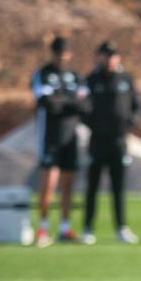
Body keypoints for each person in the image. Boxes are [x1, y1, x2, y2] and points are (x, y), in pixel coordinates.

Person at [30, 36, 88, 246]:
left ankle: (65, 228)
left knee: (68, 184)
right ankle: (43, 228)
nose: (62, 57)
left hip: (70, 138)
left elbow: (85, 106)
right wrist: (70, 100)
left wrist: (61, 98)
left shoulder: (76, 76)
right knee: (49, 184)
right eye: (58, 53)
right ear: (52, 54)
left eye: (65, 52)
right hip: (50, 138)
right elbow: (47, 104)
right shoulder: (43, 74)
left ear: (70, 54)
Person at [82, 41, 141, 245]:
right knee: (92, 186)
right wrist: (94, 125)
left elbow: (137, 107)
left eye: (113, 55)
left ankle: (122, 227)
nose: (110, 59)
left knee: (119, 186)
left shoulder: (126, 79)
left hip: (119, 141)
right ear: (100, 57)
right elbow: (83, 108)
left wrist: (129, 123)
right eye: (106, 55)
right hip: (97, 140)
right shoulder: (92, 79)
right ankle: (88, 227)